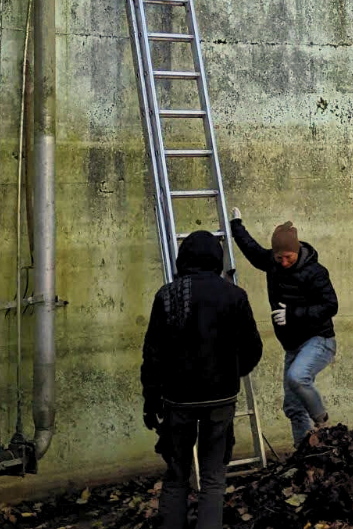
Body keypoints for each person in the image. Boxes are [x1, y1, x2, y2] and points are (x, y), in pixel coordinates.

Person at [141, 230, 263, 529]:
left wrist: (151, 399)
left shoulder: (167, 295)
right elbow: (253, 349)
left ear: (184, 259)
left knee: (176, 475)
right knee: (213, 478)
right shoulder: (235, 295)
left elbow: (153, 354)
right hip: (221, 399)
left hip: (177, 400)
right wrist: (232, 373)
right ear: (217, 259)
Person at [230, 208, 338, 446]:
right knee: (292, 406)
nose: (285, 262)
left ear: (297, 250)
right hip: (293, 345)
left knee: (297, 377)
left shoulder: (315, 272)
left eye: (289, 256)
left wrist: (293, 314)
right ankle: (304, 453)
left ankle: (322, 421)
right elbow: (252, 250)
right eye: (280, 258)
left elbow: (331, 305)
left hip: (320, 340)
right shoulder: (273, 263)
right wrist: (236, 224)